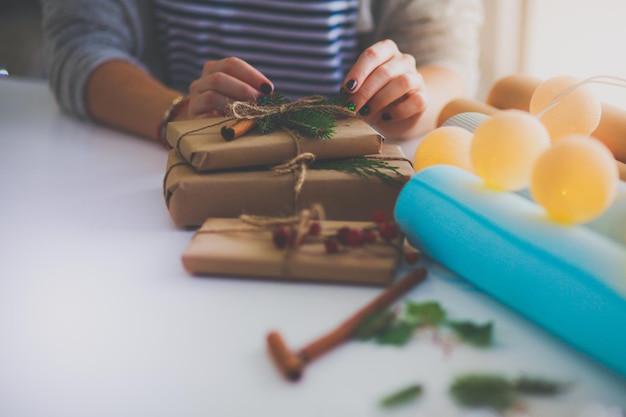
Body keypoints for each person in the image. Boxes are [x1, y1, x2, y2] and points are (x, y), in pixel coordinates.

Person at [41, 0, 483, 144]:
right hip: (168, 172)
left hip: (350, 185)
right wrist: (178, 115)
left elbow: (448, 56)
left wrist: (406, 105)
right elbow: (80, 46)